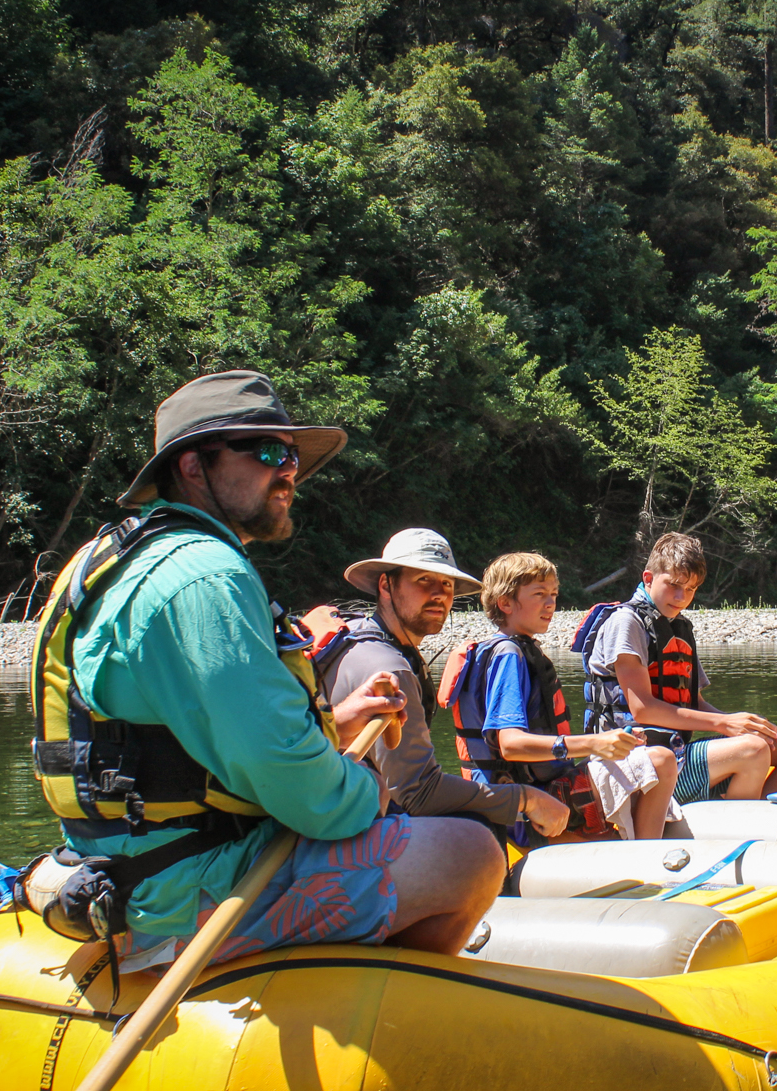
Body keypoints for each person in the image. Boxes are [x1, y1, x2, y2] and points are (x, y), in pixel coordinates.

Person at [28, 370, 502, 963]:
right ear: (193, 466)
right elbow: (307, 797)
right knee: (471, 854)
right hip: (185, 895)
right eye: (268, 452)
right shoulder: (206, 576)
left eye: (293, 457)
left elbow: (194, 743)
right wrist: (368, 789)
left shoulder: (116, 556)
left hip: (126, 874)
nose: (289, 471)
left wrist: (336, 725)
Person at [310, 529, 572, 844]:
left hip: (328, 811)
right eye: (423, 580)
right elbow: (419, 794)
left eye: (447, 584)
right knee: (477, 836)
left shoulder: (359, 635)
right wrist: (526, 799)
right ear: (386, 585)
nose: (439, 594)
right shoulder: (389, 669)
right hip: (339, 833)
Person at [440, 552, 681, 842]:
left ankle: (636, 846)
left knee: (643, 758)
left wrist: (610, 741)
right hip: (524, 807)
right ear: (505, 603)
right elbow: (511, 745)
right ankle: (648, 856)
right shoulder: (508, 655)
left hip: (538, 789)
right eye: (539, 594)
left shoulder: (519, 650)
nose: (551, 603)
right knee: (660, 761)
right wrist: (594, 743)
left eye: (553, 594)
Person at [575, 532, 777, 802]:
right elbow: (642, 708)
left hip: (675, 752)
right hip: (636, 766)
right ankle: (735, 822)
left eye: (690, 589)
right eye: (674, 585)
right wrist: (724, 723)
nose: (681, 597)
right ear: (648, 578)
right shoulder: (627, 622)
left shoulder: (678, 626)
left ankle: (758, 814)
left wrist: (739, 723)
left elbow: (694, 702)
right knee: (753, 750)